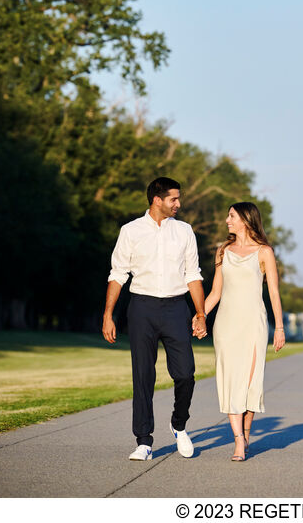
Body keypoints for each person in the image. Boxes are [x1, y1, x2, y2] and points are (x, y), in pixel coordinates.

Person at [102, 176, 208, 461]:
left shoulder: (184, 231)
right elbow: (117, 274)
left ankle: (179, 424)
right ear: (157, 200)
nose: (179, 203)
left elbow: (192, 275)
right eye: (174, 199)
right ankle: (144, 441)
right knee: (143, 376)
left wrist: (200, 313)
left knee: (185, 373)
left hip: (176, 308)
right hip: (142, 308)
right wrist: (108, 315)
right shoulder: (131, 231)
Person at [198, 202, 285, 461]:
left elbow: (273, 293)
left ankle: (246, 435)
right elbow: (215, 292)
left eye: (232, 216)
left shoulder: (264, 252)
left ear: (246, 220)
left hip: (254, 325)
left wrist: (278, 328)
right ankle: (238, 440)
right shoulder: (222, 251)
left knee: (249, 383)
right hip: (226, 325)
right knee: (230, 380)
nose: (227, 220)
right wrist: (200, 316)